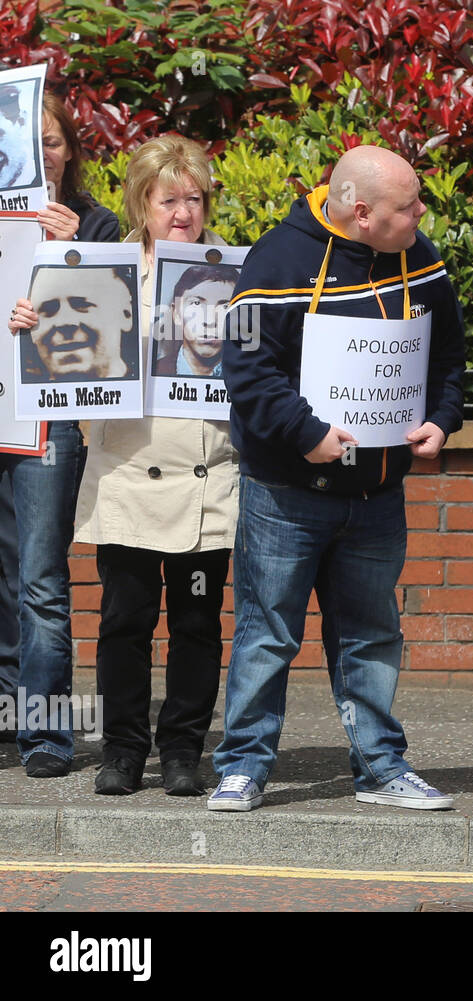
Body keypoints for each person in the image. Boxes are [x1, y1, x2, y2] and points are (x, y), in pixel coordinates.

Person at [211, 144, 466, 812]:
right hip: (286, 493)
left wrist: (442, 419)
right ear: (361, 214)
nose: (421, 213)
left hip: (377, 493)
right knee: (268, 633)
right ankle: (242, 765)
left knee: (372, 633)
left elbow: (447, 357)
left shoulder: (424, 257)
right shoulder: (277, 261)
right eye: (407, 205)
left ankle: (381, 765)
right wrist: (308, 435)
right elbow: (245, 369)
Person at [65, 135, 237, 796]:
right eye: (170, 200)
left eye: (194, 198)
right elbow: (65, 353)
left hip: (205, 474)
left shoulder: (234, 271)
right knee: (125, 621)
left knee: (196, 620)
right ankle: (123, 748)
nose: (184, 213)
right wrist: (32, 323)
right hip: (128, 473)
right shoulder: (103, 272)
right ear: (142, 201)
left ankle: (185, 748)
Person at [0, 94, 117, 768]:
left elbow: (110, 330)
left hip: (47, 425)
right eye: (29, 141)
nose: (42, 153)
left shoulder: (95, 224)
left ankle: (44, 732)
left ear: (70, 150)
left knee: (40, 580)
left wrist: (73, 251)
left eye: (53, 141)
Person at [19, 264, 136, 382]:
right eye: (49, 310)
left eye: (82, 305)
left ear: (126, 314)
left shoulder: (148, 393)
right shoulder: (26, 397)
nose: (64, 322)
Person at [153, 263, 239, 378]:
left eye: (225, 306)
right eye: (196, 303)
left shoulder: (250, 377)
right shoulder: (155, 371)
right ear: (176, 314)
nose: (210, 321)